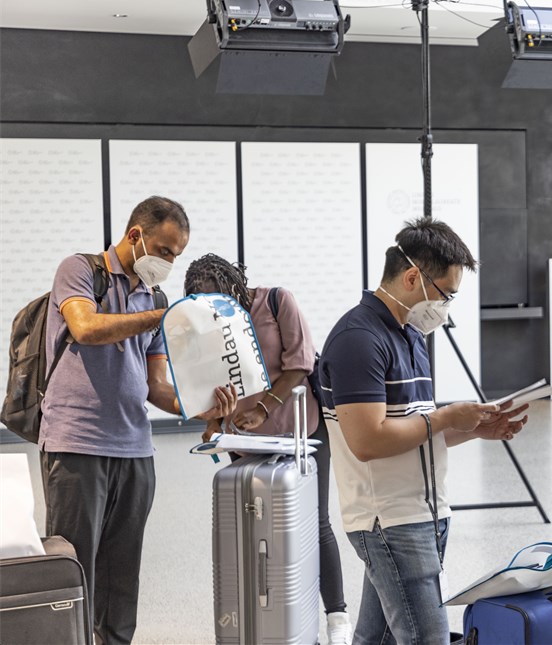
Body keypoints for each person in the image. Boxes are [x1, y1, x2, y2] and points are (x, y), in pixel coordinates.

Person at [318, 217, 529, 644]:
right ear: (413, 276)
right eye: (445, 294)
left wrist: (473, 430)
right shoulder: (358, 339)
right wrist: (448, 417)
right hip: (390, 521)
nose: (445, 307)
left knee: (376, 639)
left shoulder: (411, 335)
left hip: (426, 512)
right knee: (425, 637)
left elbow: (416, 427)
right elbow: (368, 440)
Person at [39, 196, 237, 645]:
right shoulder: (81, 270)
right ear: (136, 236)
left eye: (176, 255)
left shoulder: (156, 295)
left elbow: (155, 387)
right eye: (165, 251)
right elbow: (86, 328)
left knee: (121, 575)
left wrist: (199, 407)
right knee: (74, 568)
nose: (169, 262)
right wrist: (162, 317)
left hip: (135, 449)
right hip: (77, 443)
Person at [183, 253, 352, 645]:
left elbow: (300, 364)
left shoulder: (277, 301)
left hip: (300, 428)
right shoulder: (205, 322)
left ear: (235, 287)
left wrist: (262, 408)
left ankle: (338, 618)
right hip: (244, 439)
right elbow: (204, 383)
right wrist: (213, 422)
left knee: (315, 522)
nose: (215, 311)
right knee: (258, 525)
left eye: (221, 301)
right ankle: (271, 613)